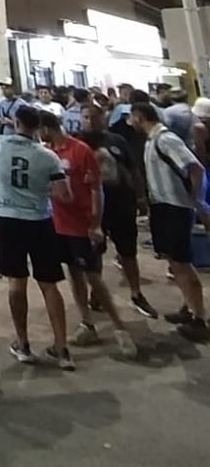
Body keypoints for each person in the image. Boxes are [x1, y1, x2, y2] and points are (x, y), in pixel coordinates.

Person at [0, 107, 76, 369]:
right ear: (38, 127)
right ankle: (62, 348)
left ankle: (23, 343)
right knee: (49, 284)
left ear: (16, 122)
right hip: (39, 220)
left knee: (16, 282)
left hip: (8, 219)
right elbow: (64, 194)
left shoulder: (1, 145)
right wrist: (41, 190)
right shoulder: (49, 157)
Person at [37, 111, 137, 358]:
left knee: (94, 278)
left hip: (82, 225)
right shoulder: (49, 153)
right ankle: (87, 324)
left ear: (47, 127)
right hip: (59, 224)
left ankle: (120, 329)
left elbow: (96, 190)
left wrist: (95, 224)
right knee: (74, 274)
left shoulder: (80, 150)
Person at [130, 102, 209, 341]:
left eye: (132, 117)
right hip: (163, 206)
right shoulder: (151, 141)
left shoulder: (166, 139)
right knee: (174, 261)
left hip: (176, 207)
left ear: (139, 116)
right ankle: (189, 307)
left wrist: (194, 201)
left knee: (182, 263)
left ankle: (199, 319)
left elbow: (195, 168)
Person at [79, 103, 157, 318]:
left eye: (93, 117)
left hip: (121, 203)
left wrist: (140, 196)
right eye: (85, 117)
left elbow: (133, 170)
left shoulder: (117, 141)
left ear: (103, 118)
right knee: (94, 253)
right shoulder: (77, 143)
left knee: (128, 252)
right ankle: (96, 293)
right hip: (94, 208)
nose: (89, 121)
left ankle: (136, 293)